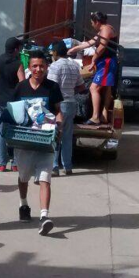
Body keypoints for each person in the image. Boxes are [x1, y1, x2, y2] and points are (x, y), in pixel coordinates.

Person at [11, 51, 63, 236]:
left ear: (47, 67)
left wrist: (59, 125)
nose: (38, 69)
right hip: (24, 142)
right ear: (29, 68)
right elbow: (13, 112)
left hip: (46, 141)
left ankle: (44, 216)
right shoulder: (21, 88)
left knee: (44, 178)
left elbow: (58, 111)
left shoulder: (52, 87)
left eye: (42, 66)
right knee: (23, 177)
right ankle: (23, 204)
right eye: (34, 66)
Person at [67, 12, 117, 125]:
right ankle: (103, 115)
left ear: (97, 22)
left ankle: (95, 117)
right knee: (105, 88)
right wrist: (74, 49)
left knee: (93, 88)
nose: (91, 25)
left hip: (107, 62)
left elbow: (102, 46)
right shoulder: (102, 31)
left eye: (92, 22)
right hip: (104, 62)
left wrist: (93, 59)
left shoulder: (106, 29)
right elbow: (89, 43)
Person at [0, 37, 26, 172]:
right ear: (16, 49)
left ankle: (2, 163)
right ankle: (15, 163)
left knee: (0, 132)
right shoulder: (18, 64)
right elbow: (22, 83)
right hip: (14, 102)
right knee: (15, 131)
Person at [48, 40, 85, 176]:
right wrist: (70, 90)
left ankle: (54, 167)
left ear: (56, 53)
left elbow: (52, 86)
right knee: (67, 136)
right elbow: (82, 86)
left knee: (55, 135)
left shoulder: (54, 66)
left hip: (59, 104)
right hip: (71, 103)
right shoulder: (74, 65)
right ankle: (68, 166)